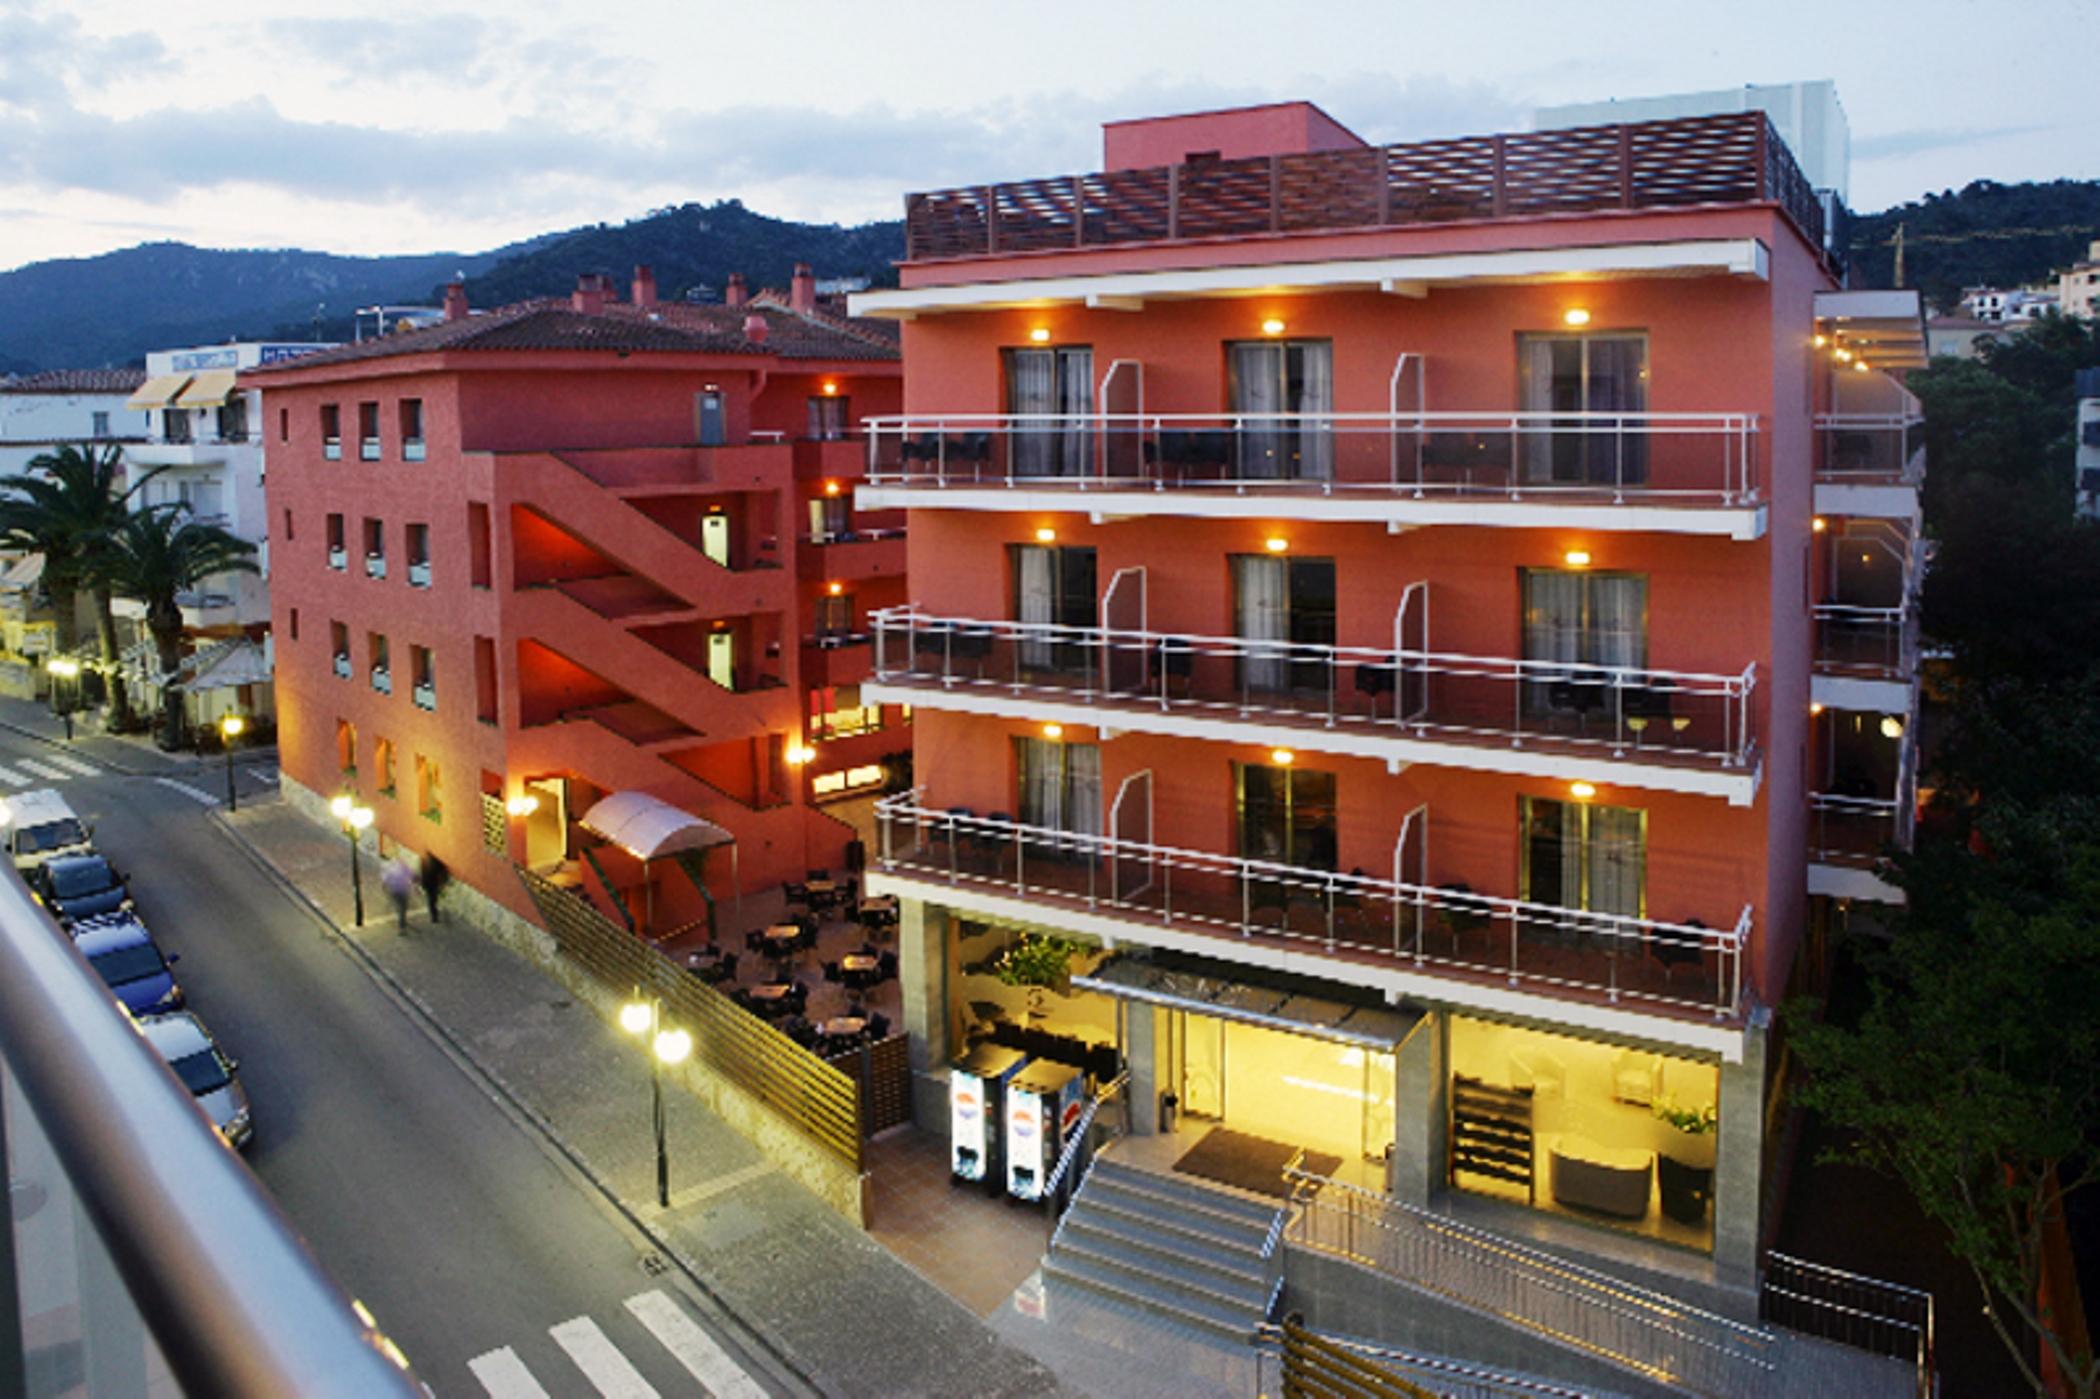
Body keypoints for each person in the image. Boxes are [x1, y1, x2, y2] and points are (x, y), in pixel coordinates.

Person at [380, 857, 413, 933]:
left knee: (399, 906)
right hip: (403, 890)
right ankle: (402, 927)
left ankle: (401, 920)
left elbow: (385, 880)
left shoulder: (390, 868)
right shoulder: (405, 867)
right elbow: (412, 875)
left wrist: (384, 888)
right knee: (403, 908)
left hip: (394, 890)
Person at [419, 853, 451, 925]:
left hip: (429, 884)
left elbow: (423, 873)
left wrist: (423, 884)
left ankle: (434, 916)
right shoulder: (433, 863)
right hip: (433, 884)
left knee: (431, 900)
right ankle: (434, 915)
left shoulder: (424, 861)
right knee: (432, 899)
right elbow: (442, 868)